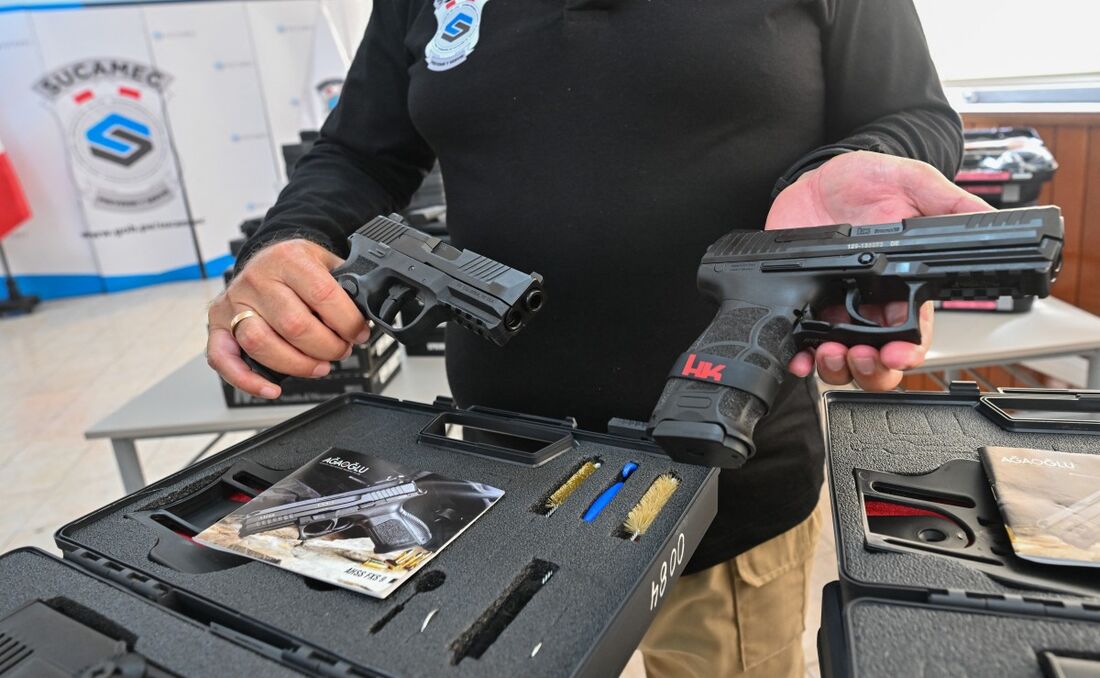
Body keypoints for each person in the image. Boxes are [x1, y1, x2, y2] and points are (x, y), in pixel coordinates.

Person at [206, 1, 989, 675]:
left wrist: (857, 174)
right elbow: (357, 150)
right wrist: (291, 239)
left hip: (726, 480)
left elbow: (914, 114)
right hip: (493, 477)